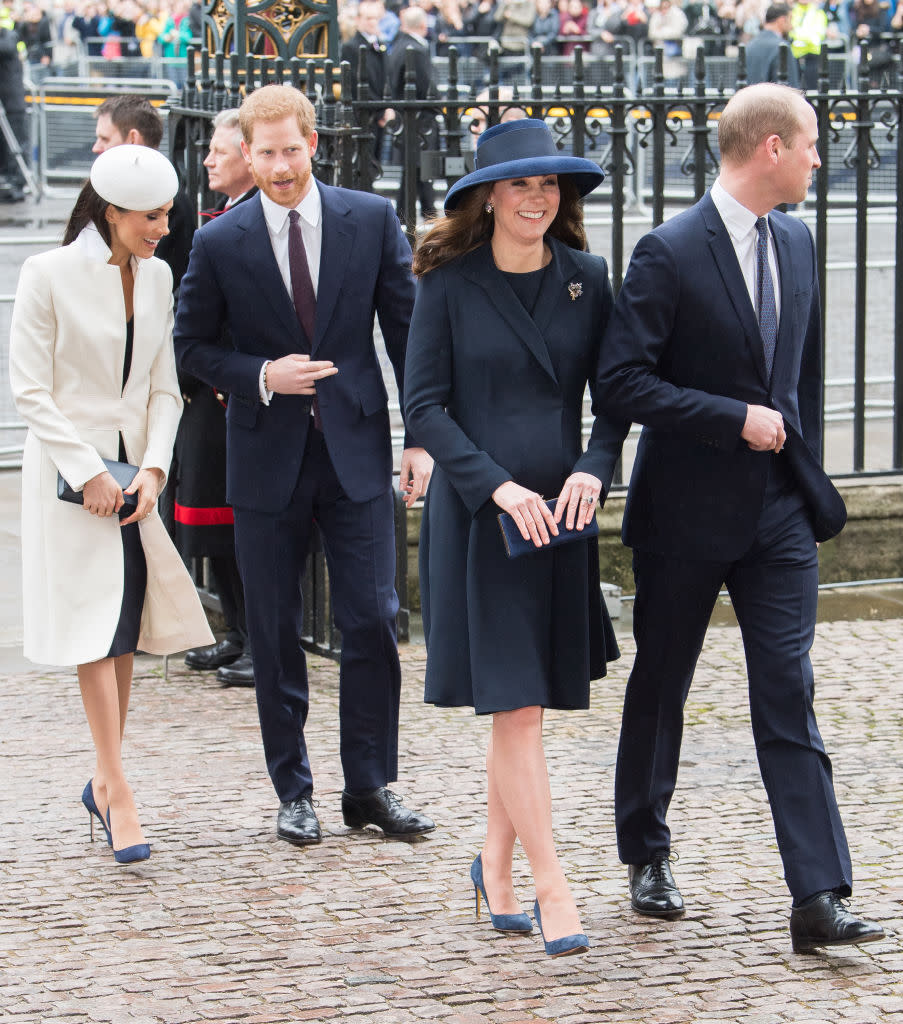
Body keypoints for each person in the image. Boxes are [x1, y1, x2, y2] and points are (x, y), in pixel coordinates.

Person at [597, 83, 885, 953]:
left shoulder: (795, 242)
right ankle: (645, 851)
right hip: (684, 513)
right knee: (661, 687)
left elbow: (785, 380)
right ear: (768, 148)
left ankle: (818, 896)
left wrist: (786, 456)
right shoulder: (668, 252)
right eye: (809, 145)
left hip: (779, 517)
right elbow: (621, 381)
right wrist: (730, 417)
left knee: (787, 694)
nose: (817, 159)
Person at [173, 84, 435, 848]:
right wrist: (260, 374)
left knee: (373, 619)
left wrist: (419, 437)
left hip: (356, 455)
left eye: (291, 149)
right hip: (263, 461)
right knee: (277, 632)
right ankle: (294, 791)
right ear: (247, 155)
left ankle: (370, 787)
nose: (280, 165)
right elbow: (190, 348)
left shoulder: (370, 219)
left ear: (313, 143)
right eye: (265, 153)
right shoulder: (219, 240)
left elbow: (411, 336)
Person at [404, 118, 624, 957]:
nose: (536, 198)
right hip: (483, 518)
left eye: (548, 185)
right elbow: (423, 406)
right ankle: (550, 884)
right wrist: (494, 486)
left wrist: (593, 467)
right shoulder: (447, 282)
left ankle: (492, 863)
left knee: (522, 706)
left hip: (561, 519)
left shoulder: (587, 278)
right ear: (487, 197)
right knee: (517, 707)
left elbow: (615, 398)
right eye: (520, 184)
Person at [8, 144, 214, 865]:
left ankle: (104, 777)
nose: (163, 227)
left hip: (134, 476)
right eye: (151, 217)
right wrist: (88, 470)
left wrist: (153, 468)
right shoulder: (47, 273)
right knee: (93, 629)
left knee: (123, 626)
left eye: (166, 215)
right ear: (111, 211)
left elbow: (164, 384)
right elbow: (29, 389)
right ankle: (117, 787)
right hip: (71, 476)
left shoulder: (157, 276)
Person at [176, 108, 258, 687]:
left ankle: (260, 637)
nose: (207, 160)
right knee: (212, 521)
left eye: (218, 151)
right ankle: (237, 629)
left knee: (245, 527)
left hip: (241, 395)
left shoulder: (253, 219)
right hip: (209, 392)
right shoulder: (222, 216)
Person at [92, 94, 196, 291]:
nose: (96, 147)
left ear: (132, 139)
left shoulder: (172, 200)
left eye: (104, 138)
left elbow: (167, 285)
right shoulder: (98, 192)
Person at [387, 5, 438, 225]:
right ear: (423, 26)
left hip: (408, 120)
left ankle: (410, 216)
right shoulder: (414, 49)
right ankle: (427, 215)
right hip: (420, 121)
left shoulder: (398, 45)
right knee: (420, 170)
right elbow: (428, 88)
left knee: (414, 173)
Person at [746, 4, 801, 84]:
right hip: (773, 96)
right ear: (782, 20)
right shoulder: (782, 47)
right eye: (790, 19)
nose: (792, 26)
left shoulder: (750, 45)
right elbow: (791, 88)